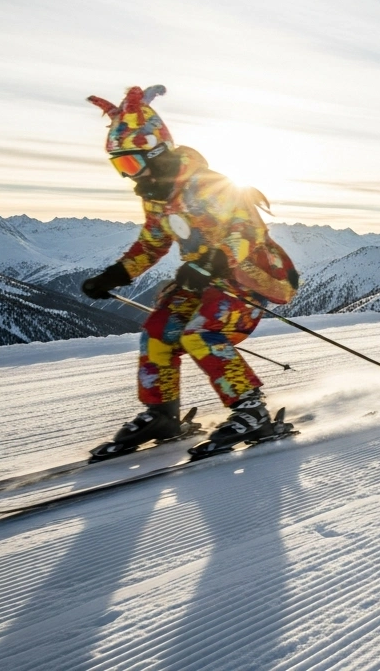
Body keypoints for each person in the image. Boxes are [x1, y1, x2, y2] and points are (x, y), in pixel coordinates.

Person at [80, 86, 300, 461]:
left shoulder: (207, 184)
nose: (127, 176)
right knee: (158, 331)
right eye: (120, 166)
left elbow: (245, 231)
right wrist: (116, 274)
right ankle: (162, 413)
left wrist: (209, 264)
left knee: (202, 332)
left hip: (249, 275)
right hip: (200, 276)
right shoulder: (158, 198)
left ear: (155, 150)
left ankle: (252, 410)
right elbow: (152, 243)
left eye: (130, 164)